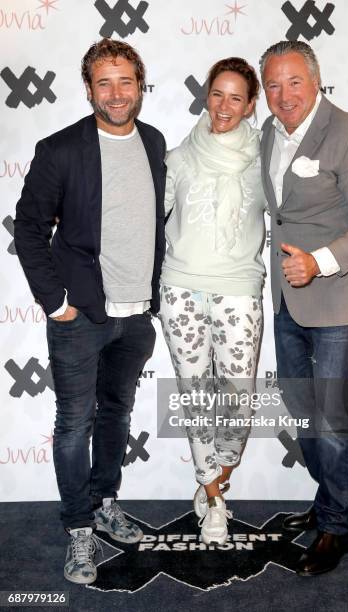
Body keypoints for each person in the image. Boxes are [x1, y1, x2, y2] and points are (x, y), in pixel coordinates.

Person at [14, 38, 166, 584]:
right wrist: (55, 302)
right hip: (80, 317)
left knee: (117, 414)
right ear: (88, 89)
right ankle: (79, 529)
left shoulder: (154, 142)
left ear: (140, 87)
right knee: (73, 424)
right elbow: (29, 228)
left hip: (137, 315)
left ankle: (104, 503)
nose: (117, 93)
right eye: (105, 82)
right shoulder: (60, 149)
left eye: (126, 81)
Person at [259, 40, 348, 575]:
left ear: (316, 81)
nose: (283, 94)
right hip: (289, 296)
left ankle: (336, 526)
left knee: (335, 417)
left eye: (294, 82)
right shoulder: (269, 134)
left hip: (340, 294)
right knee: (300, 406)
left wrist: (318, 262)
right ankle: (328, 499)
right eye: (272, 84)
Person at [160, 57, 265, 545]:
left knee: (238, 398)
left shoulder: (265, 161)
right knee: (197, 396)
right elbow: (146, 219)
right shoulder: (179, 157)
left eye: (236, 97)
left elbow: (297, 211)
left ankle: (217, 476)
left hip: (239, 287)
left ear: (250, 105)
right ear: (207, 95)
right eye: (217, 94)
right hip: (181, 287)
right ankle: (212, 497)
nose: (224, 106)